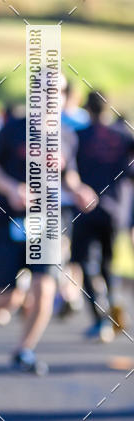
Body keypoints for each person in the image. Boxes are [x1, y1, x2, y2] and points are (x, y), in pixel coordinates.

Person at [0, 94, 97, 374]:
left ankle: (24, 351)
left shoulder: (67, 135)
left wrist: (79, 190)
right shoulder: (13, 128)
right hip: (9, 221)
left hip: (47, 222)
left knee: (45, 286)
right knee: (10, 296)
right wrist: (11, 189)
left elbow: (69, 174)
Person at [70, 90, 134, 341]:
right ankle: (113, 299)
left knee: (86, 264)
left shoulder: (79, 136)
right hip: (115, 209)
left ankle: (99, 318)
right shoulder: (123, 136)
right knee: (107, 262)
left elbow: (67, 170)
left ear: (87, 109)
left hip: (85, 209)